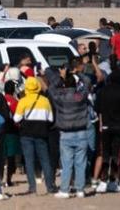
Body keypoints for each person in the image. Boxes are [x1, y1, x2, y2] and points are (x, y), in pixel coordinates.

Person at [49, 65, 90, 198]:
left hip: (66, 134)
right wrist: (78, 72)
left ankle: (65, 190)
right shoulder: (80, 96)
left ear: (64, 84)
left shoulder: (60, 97)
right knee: (81, 163)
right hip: (81, 133)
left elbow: (51, 89)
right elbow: (88, 82)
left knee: (66, 164)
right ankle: (80, 189)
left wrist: (60, 77)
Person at [13, 77, 56, 195]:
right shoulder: (45, 101)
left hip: (26, 134)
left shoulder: (23, 101)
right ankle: (50, 186)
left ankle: (32, 187)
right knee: (45, 161)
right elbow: (51, 119)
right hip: (41, 134)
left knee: (29, 161)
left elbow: (16, 118)